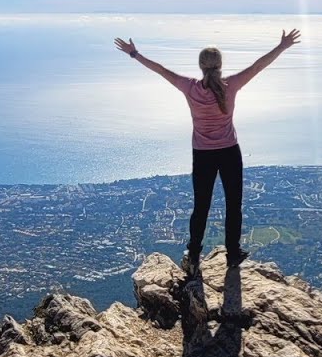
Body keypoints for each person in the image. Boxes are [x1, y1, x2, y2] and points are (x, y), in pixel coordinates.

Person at [115, 29, 301, 275]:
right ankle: (233, 254)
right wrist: (282, 46)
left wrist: (134, 54)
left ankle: (193, 254)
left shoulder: (189, 87)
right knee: (234, 205)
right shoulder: (230, 85)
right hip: (229, 153)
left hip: (202, 155)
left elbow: (160, 70)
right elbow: (258, 66)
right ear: (220, 65)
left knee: (201, 206)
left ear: (200, 67)